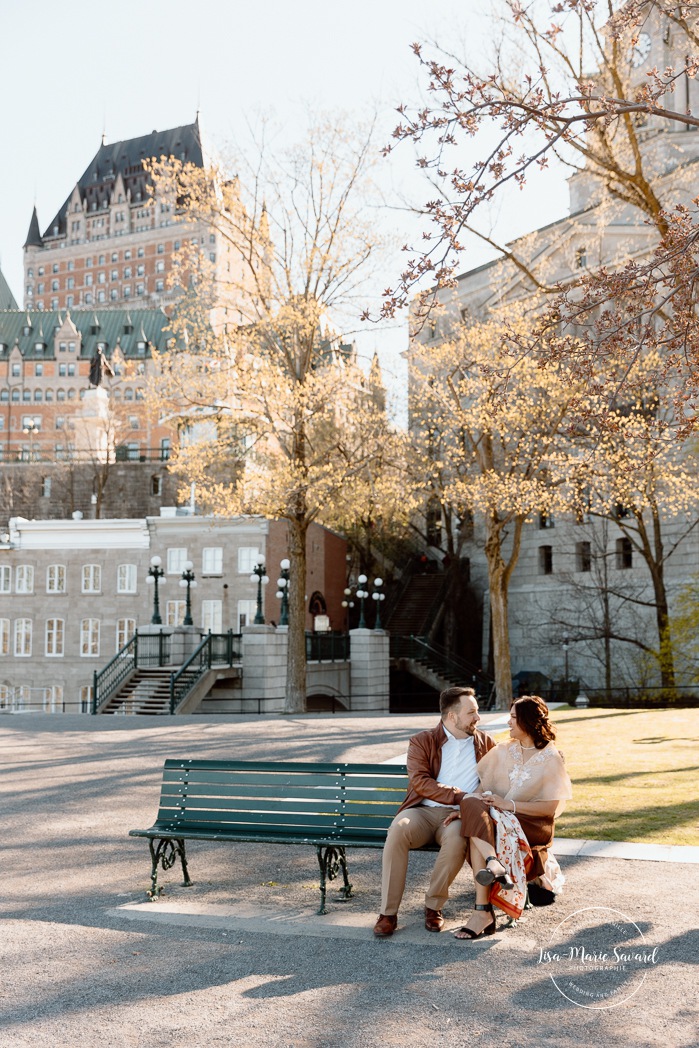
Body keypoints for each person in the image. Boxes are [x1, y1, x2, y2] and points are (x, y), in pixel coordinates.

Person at [446, 694, 573, 940]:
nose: (509, 723)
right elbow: (482, 790)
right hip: (498, 818)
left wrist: (508, 804)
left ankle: (483, 910)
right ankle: (492, 868)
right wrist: (464, 810)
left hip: (532, 825)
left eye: (513, 717)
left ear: (527, 721)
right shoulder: (504, 750)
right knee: (472, 804)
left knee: (478, 831)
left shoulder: (551, 757)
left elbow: (548, 810)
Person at [373, 686, 496, 938]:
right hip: (422, 812)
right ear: (452, 716)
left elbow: (497, 779)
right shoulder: (422, 741)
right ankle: (388, 913)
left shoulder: (486, 744)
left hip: (457, 817)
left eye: (477, 711)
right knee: (397, 829)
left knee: (457, 838)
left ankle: (433, 907)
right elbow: (421, 782)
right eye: (471, 712)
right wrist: (461, 795)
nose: (478, 717)